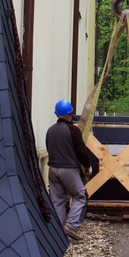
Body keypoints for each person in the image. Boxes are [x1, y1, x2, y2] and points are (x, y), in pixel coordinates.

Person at [46, 99, 92, 241]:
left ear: (56, 114)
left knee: (57, 200)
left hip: (52, 169)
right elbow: (81, 151)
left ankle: (57, 232)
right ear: (71, 113)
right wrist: (87, 165)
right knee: (81, 196)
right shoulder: (73, 130)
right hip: (69, 169)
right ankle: (71, 226)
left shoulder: (50, 130)